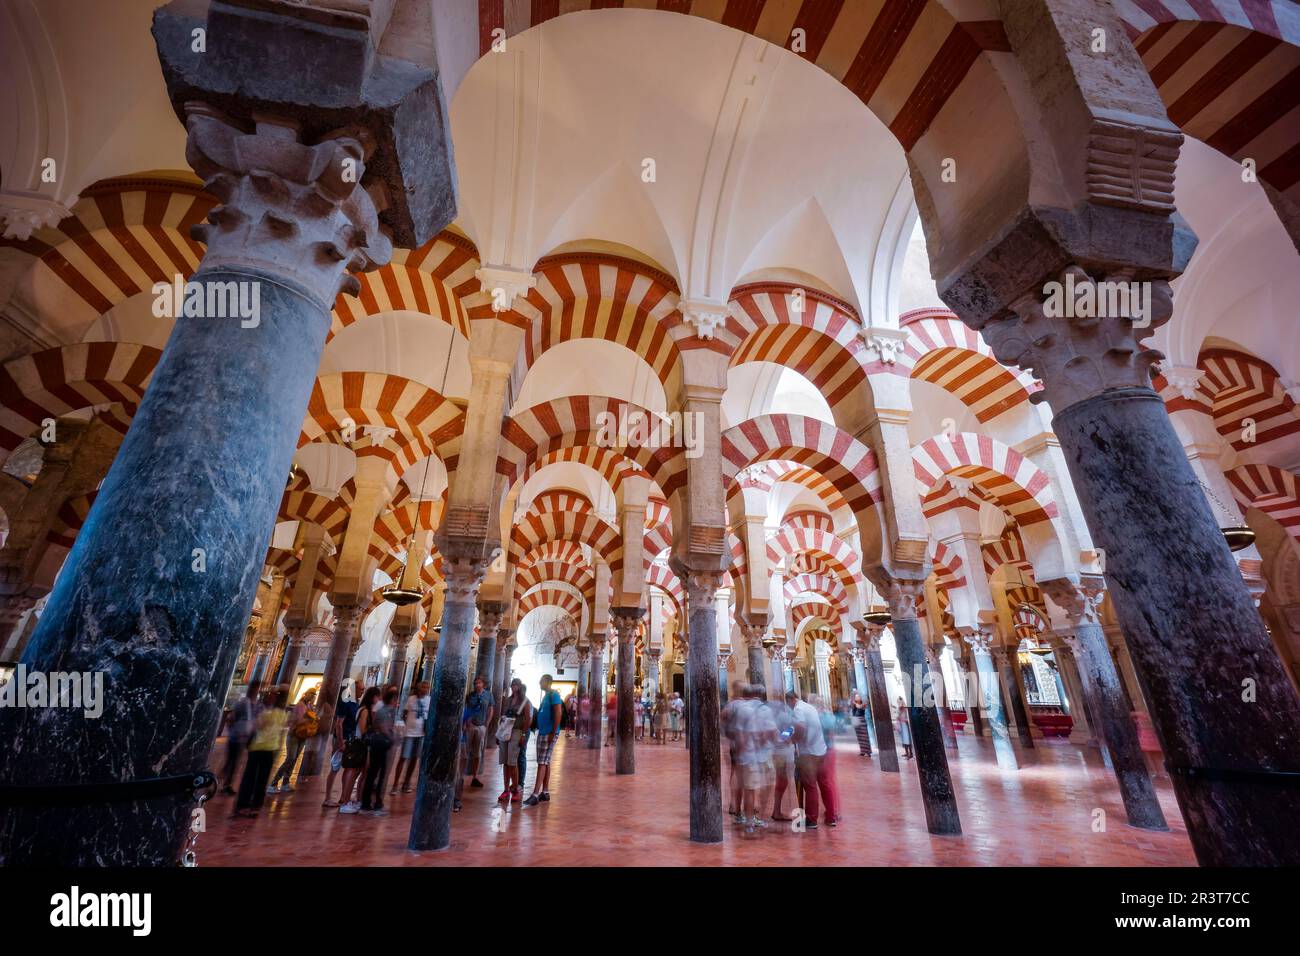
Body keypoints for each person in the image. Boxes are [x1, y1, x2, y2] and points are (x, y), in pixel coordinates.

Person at [234, 686, 287, 817]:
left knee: (255, 778)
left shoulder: (271, 712)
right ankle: (250, 805)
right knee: (255, 777)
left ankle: (250, 804)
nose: (271, 696)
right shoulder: (277, 712)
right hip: (261, 747)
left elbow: (257, 726)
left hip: (263, 747)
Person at [786, 690, 829, 830]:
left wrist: (791, 740)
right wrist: (784, 734)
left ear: (791, 699)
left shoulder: (798, 709)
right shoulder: (808, 707)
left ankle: (811, 819)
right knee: (823, 783)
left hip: (808, 753)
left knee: (809, 786)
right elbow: (794, 727)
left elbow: (800, 728)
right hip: (820, 749)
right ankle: (830, 816)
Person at [352, 686, 398, 816]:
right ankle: (368, 803)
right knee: (373, 774)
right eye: (395, 700)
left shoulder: (385, 711)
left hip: (378, 744)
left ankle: (369, 802)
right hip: (377, 745)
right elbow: (380, 728)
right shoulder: (381, 711)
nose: (397, 703)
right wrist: (392, 737)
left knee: (373, 774)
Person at [740, 684, 778, 834]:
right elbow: (772, 732)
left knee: (749, 789)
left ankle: (749, 821)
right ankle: (758, 816)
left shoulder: (742, 709)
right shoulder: (765, 710)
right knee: (766, 786)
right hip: (763, 754)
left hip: (747, 754)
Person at [523, 674, 564, 806]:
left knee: (542, 762)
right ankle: (545, 792)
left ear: (547, 682)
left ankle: (535, 794)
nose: (540, 684)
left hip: (548, 733)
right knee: (546, 762)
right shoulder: (547, 695)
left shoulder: (554, 695)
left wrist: (553, 731)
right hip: (544, 732)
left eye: (541, 682)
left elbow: (558, 713)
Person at [268, 687, 317, 792]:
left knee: (294, 760)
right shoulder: (300, 705)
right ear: (306, 694)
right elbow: (297, 721)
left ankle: (286, 782)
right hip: (294, 735)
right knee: (290, 758)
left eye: (314, 695)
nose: (313, 696)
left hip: (303, 735)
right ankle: (274, 783)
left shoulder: (309, 706)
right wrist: (308, 718)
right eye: (311, 694)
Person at [323, 681, 363, 809]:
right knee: (335, 768)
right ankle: (327, 798)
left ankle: (343, 796)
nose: (363, 691)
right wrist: (340, 741)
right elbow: (339, 723)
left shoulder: (356, 703)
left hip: (350, 739)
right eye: (361, 688)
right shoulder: (346, 702)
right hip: (342, 738)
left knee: (348, 768)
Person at [221, 679, 261, 794]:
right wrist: (233, 732)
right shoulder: (243, 702)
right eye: (256, 688)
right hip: (237, 736)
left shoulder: (256, 704)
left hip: (245, 737)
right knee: (232, 762)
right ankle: (225, 784)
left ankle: (225, 782)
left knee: (234, 762)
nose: (256, 690)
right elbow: (231, 718)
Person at [497, 678, 533, 804]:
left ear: (520, 686)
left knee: (513, 763)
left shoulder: (525, 701)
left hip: (517, 731)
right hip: (505, 731)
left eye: (516, 685)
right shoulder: (508, 701)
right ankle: (506, 789)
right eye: (512, 685)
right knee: (505, 762)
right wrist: (500, 729)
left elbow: (528, 719)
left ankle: (516, 790)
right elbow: (503, 715)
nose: (514, 687)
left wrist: (523, 734)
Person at [392, 680, 431, 794]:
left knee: (414, 758)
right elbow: (404, 713)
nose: (425, 689)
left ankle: (406, 783)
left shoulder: (429, 700)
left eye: (427, 688)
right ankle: (395, 784)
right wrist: (407, 725)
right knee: (403, 757)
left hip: (421, 734)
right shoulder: (411, 699)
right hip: (409, 733)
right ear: (419, 688)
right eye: (423, 687)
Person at [721, 680, 747, 821]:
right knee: (742, 776)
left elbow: (722, 718)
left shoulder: (730, 705)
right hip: (743, 745)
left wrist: (726, 735)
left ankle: (733, 804)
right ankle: (741, 807)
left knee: (735, 773)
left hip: (733, 744)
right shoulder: (743, 705)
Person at [768, 693, 796, 822]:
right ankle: (778, 811)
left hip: (775, 752)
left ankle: (777, 810)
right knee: (782, 782)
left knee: (781, 781)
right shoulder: (783, 717)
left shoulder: (770, 718)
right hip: (783, 753)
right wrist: (787, 736)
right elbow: (789, 733)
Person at [815, 695, 842, 827]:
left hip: (825, 750)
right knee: (830, 781)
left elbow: (829, 734)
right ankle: (834, 810)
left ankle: (833, 811)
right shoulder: (828, 716)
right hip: (829, 749)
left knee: (827, 782)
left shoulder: (822, 717)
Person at [464, 675, 494, 788]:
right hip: (470, 725)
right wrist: (466, 722)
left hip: (481, 726)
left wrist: (487, 723)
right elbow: (467, 709)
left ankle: (474, 777)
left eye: (479, 683)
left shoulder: (488, 695)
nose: (477, 685)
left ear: (484, 684)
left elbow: (491, 709)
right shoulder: (470, 696)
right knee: (466, 751)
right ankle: (462, 774)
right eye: (475, 683)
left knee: (478, 752)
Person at [850, 691, 872, 758]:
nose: (856, 698)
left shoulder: (863, 704)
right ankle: (862, 751)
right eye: (856, 697)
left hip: (862, 721)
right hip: (857, 721)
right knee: (860, 738)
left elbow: (859, 707)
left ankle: (867, 752)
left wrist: (855, 703)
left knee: (864, 737)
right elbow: (852, 706)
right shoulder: (854, 705)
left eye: (858, 697)